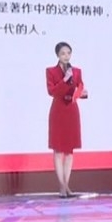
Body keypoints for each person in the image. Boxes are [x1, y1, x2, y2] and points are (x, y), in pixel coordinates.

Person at [46, 42, 87, 198]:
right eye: (63, 53)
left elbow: (80, 88)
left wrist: (82, 93)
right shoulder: (51, 71)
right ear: (57, 55)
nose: (66, 56)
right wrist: (65, 80)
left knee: (69, 151)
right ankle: (62, 186)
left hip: (71, 110)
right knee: (58, 150)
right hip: (58, 111)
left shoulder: (77, 71)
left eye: (68, 53)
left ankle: (67, 185)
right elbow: (52, 91)